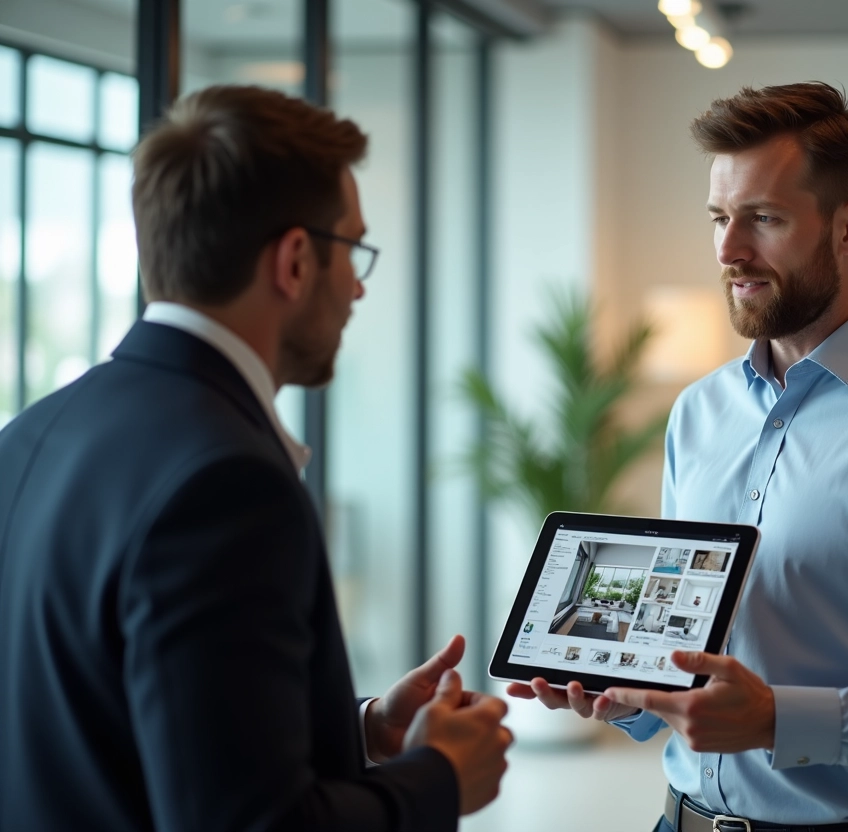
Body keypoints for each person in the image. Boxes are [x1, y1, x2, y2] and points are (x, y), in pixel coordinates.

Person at [509, 81, 848, 830]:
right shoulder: (699, 413)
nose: (729, 250)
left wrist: (777, 719)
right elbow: (685, 652)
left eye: (764, 218)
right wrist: (624, 694)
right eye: (719, 218)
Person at [0, 85, 511, 831]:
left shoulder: (29, 433)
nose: (358, 286)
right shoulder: (226, 483)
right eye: (353, 249)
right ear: (296, 261)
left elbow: (132, 733)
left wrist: (361, 728)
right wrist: (439, 776)